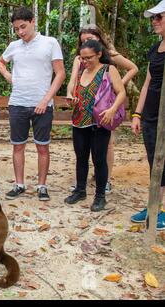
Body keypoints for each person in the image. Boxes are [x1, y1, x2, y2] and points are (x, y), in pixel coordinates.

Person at [0, 7, 65, 201]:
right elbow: (0, 62)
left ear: (33, 21)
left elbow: (60, 73)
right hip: (17, 103)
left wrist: (45, 99)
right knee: (18, 146)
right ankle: (19, 184)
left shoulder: (50, 43)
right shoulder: (14, 45)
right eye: (17, 29)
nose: (21, 32)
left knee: (42, 147)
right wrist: (8, 76)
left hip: (42, 105)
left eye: (23, 27)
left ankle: (42, 186)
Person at [67, 24, 138, 193]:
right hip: (84, 112)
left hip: (105, 108)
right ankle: (83, 185)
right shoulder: (81, 59)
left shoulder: (110, 58)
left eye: (90, 39)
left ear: (98, 39)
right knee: (84, 152)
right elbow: (74, 79)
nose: (86, 42)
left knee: (106, 147)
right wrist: (71, 93)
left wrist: (116, 86)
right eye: (83, 40)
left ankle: (105, 182)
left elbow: (133, 68)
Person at [64, 40, 126, 212]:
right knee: (81, 158)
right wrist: (72, 99)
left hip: (100, 122)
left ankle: (100, 196)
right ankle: (80, 190)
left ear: (99, 54)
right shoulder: (81, 71)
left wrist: (113, 110)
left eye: (89, 57)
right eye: (82, 58)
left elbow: (121, 92)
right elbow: (75, 92)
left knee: (99, 160)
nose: (85, 61)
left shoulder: (108, 70)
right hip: (79, 121)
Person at [130, 1, 165, 230]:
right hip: (151, 115)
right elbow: (147, 84)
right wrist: (137, 114)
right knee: (155, 162)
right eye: (153, 18)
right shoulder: (155, 49)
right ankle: (155, 205)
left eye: (159, 17)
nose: (154, 21)